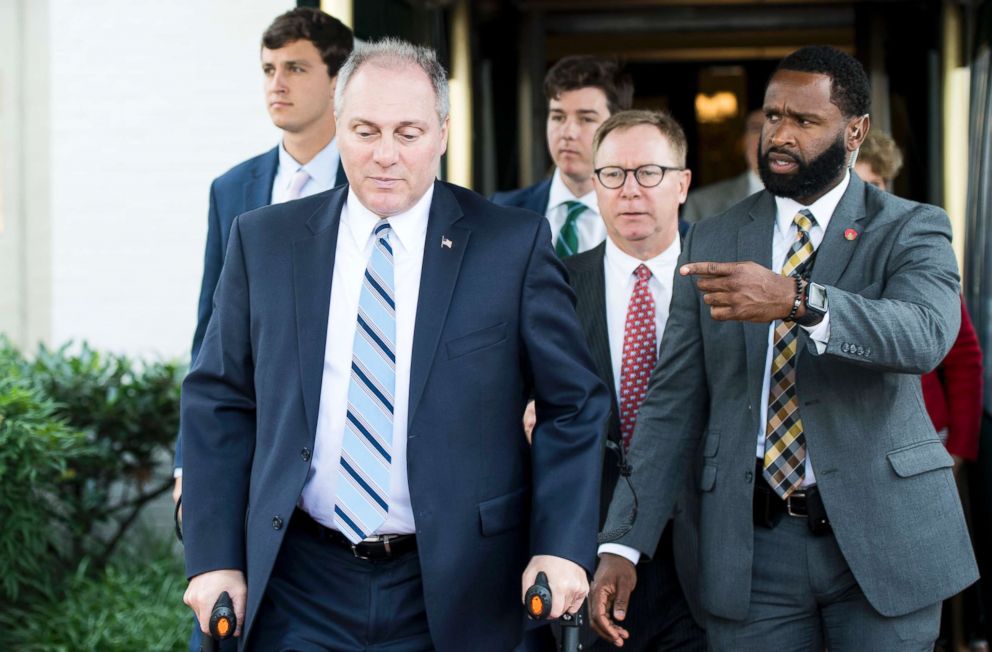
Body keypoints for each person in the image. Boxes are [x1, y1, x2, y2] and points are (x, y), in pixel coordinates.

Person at [180, 38, 610, 651]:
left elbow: (575, 405)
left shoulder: (510, 246)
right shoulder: (265, 242)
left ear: (441, 133)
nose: (385, 155)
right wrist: (214, 558)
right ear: (338, 126)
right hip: (300, 581)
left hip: (459, 585)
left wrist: (560, 546)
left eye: (407, 133)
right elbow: (218, 399)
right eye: (364, 130)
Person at [591, 45, 978, 651]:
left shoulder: (910, 226)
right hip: (749, 552)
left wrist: (799, 300)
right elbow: (673, 401)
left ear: (855, 132)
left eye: (804, 121)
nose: (780, 134)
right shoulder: (715, 233)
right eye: (772, 116)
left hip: (882, 543)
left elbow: (925, 334)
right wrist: (623, 542)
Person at [173, 6, 354, 493]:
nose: (278, 83)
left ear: (338, 81)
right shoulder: (230, 188)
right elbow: (209, 335)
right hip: (251, 438)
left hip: (346, 441)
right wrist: (188, 459)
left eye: (295, 68)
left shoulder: (372, 183)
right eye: (269, 69)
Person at [562, 109, 705, 650]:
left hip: (701, 551)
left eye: (649, 173)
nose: (630, 191)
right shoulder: (556, 285)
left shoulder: (725, 285)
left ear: (683, 184)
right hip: (589, 548)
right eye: (613, 175)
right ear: (595, 185)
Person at [492, 55, 634, 256]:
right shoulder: (502, 211)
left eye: (586, 119)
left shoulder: (642, 217)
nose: (568, 132)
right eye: (558, 117)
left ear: (618, 127)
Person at [681, 109, 764, 223]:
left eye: (774, 127)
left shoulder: (796, 201)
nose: (766, 137)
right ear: (743, 141)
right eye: (757, 129)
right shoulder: (701, 204)